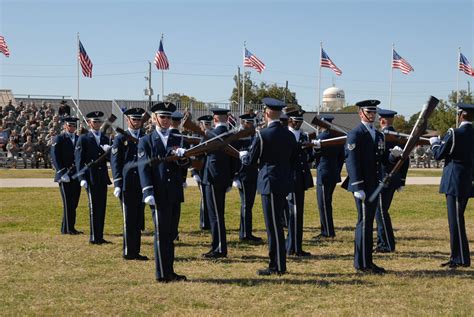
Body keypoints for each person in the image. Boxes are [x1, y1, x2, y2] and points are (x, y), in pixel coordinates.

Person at [344, 100, 402, 274]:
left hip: (374, 184)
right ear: (360, 113)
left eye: (374, 112)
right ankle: (361, 263)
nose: (372, 115)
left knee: (369, 224)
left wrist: (394, 156)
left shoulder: (377, 135)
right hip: (362, 186)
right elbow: (352, 162)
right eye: (368, 112)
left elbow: (383, 159)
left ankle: (367, 261)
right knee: (363, 223)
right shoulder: (355, 134)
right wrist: (357, 186)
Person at [240, 98, 297, 276]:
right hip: (283, 182)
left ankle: (278, 265)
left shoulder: (262, 134)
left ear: (266, 112)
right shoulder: (288, 134)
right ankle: (277, 263)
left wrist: (243, 155)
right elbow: (293, 159)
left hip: (269, 183)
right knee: (276, 224)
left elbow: (251, 160)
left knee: (273, 227)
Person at [137, 102, 188, 282]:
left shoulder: (177, 137)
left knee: (171, 234)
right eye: (163, 117)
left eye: (169, 117)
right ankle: (162, 273)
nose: (166, 121)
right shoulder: (146, 140)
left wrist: (183, 158)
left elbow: (184, 165)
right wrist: (147, 190)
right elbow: (144, 168)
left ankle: (170, 270)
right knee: (162, 234)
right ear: (154, 118)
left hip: (174, 192)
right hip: (158, 193)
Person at [430, 103, 474, 269]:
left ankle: (460, 258)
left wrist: (434, 142)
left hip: (455, 181)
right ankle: (458, 256)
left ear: (461, 115)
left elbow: (438, 155)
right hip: (467, 179)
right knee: (458, 218)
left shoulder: (454, 133)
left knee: (455, 221)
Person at [111, 108, 147, 260]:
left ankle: (135, 251)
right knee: (129, 219)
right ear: (128, 120)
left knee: (138, 219)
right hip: (127, 183)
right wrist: (117, 183)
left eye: (139, 120)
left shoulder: (145, 137)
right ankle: (128, 251)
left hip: (142, 183)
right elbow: (115, 162)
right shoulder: (120, 138)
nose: (137, 122)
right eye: (134, 119)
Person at [201, 108, 237, 259]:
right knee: (218, 214)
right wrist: (230, 178)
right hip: (223, 179)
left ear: (215, 119)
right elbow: (235, 160)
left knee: (215, 215)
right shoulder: (231, 135)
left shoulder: (211, 134)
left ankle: (219, 248)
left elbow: (201, 151)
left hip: (212, 179)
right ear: (226, 119)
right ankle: (218, 246)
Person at [374, 109, 409, 253]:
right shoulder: (399, 137)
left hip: (383, 178)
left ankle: (387, 244)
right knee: (382, 211)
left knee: (381, 212)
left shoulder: (382, 136)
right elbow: (405, 161)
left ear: (382, 121)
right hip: (393, 179)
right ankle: (381, 240)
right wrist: (401, 180)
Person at [75, 111, 112, 245]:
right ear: (89, 123)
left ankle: (100, 235)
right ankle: (94, 236)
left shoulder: (105, 138)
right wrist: (82, 178)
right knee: (93, 206)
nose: (97, 124)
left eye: (99, 122)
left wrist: (109, 152)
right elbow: (79, 160)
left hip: (102, 177)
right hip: (90, 176)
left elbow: (109, 158)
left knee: (101, 207)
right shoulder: (83, 138)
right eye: (95, 121)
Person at [285, 109, 314, 256]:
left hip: (301, 178)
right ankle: (292, 246)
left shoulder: (303, 135)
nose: (298, 123)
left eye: (300, 121)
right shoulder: (286, 135)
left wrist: (312, 148)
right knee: (293, 213)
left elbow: (309, 158)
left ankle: (296, 245)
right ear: (289, 120)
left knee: (298, 213)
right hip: (290, 178)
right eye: (296, 120)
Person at [313, 115, 345, 240]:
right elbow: (341, 157)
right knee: (327, 202)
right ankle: (327, 229)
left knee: (323, 203)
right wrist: (336, 169)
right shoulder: (338, 137)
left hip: (324, 172)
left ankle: (327, 231)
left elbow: (315, 156)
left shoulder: (321, 138)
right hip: (333, 172)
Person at [233, 113, 262, 242]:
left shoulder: (255, 136)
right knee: (246, 204)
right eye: (248, 123)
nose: (251, 125)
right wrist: (235, 176)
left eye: (252, 123)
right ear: (243, 123)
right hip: (242, 174)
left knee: (249, 204)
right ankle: (245, 234)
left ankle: (246, 231)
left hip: (253, 173)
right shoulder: (238, 137)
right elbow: (232, 157)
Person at [51, 117, 82, 235]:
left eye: (74, 126)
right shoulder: (59, 138)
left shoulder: (78, 138)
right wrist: (61, 172)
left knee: (74, 202)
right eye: (70, 125)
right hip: (64, 175)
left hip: (76, 175)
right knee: (68, 203)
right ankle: (69, 229)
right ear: (65, 126)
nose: (72, 128)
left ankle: (68, 227)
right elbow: (55, 156)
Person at [191, 115, 213, 230]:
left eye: (209, 124)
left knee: (209, 197)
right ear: (200, 125)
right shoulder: (196, 137)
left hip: (209, 171)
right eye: (206, 124)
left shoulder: (212, 136)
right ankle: (204, 222)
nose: (208, 127)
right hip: (200, 169)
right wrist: (194, 172)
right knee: (204, 196)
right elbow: (193, 156)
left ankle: (210, 221)